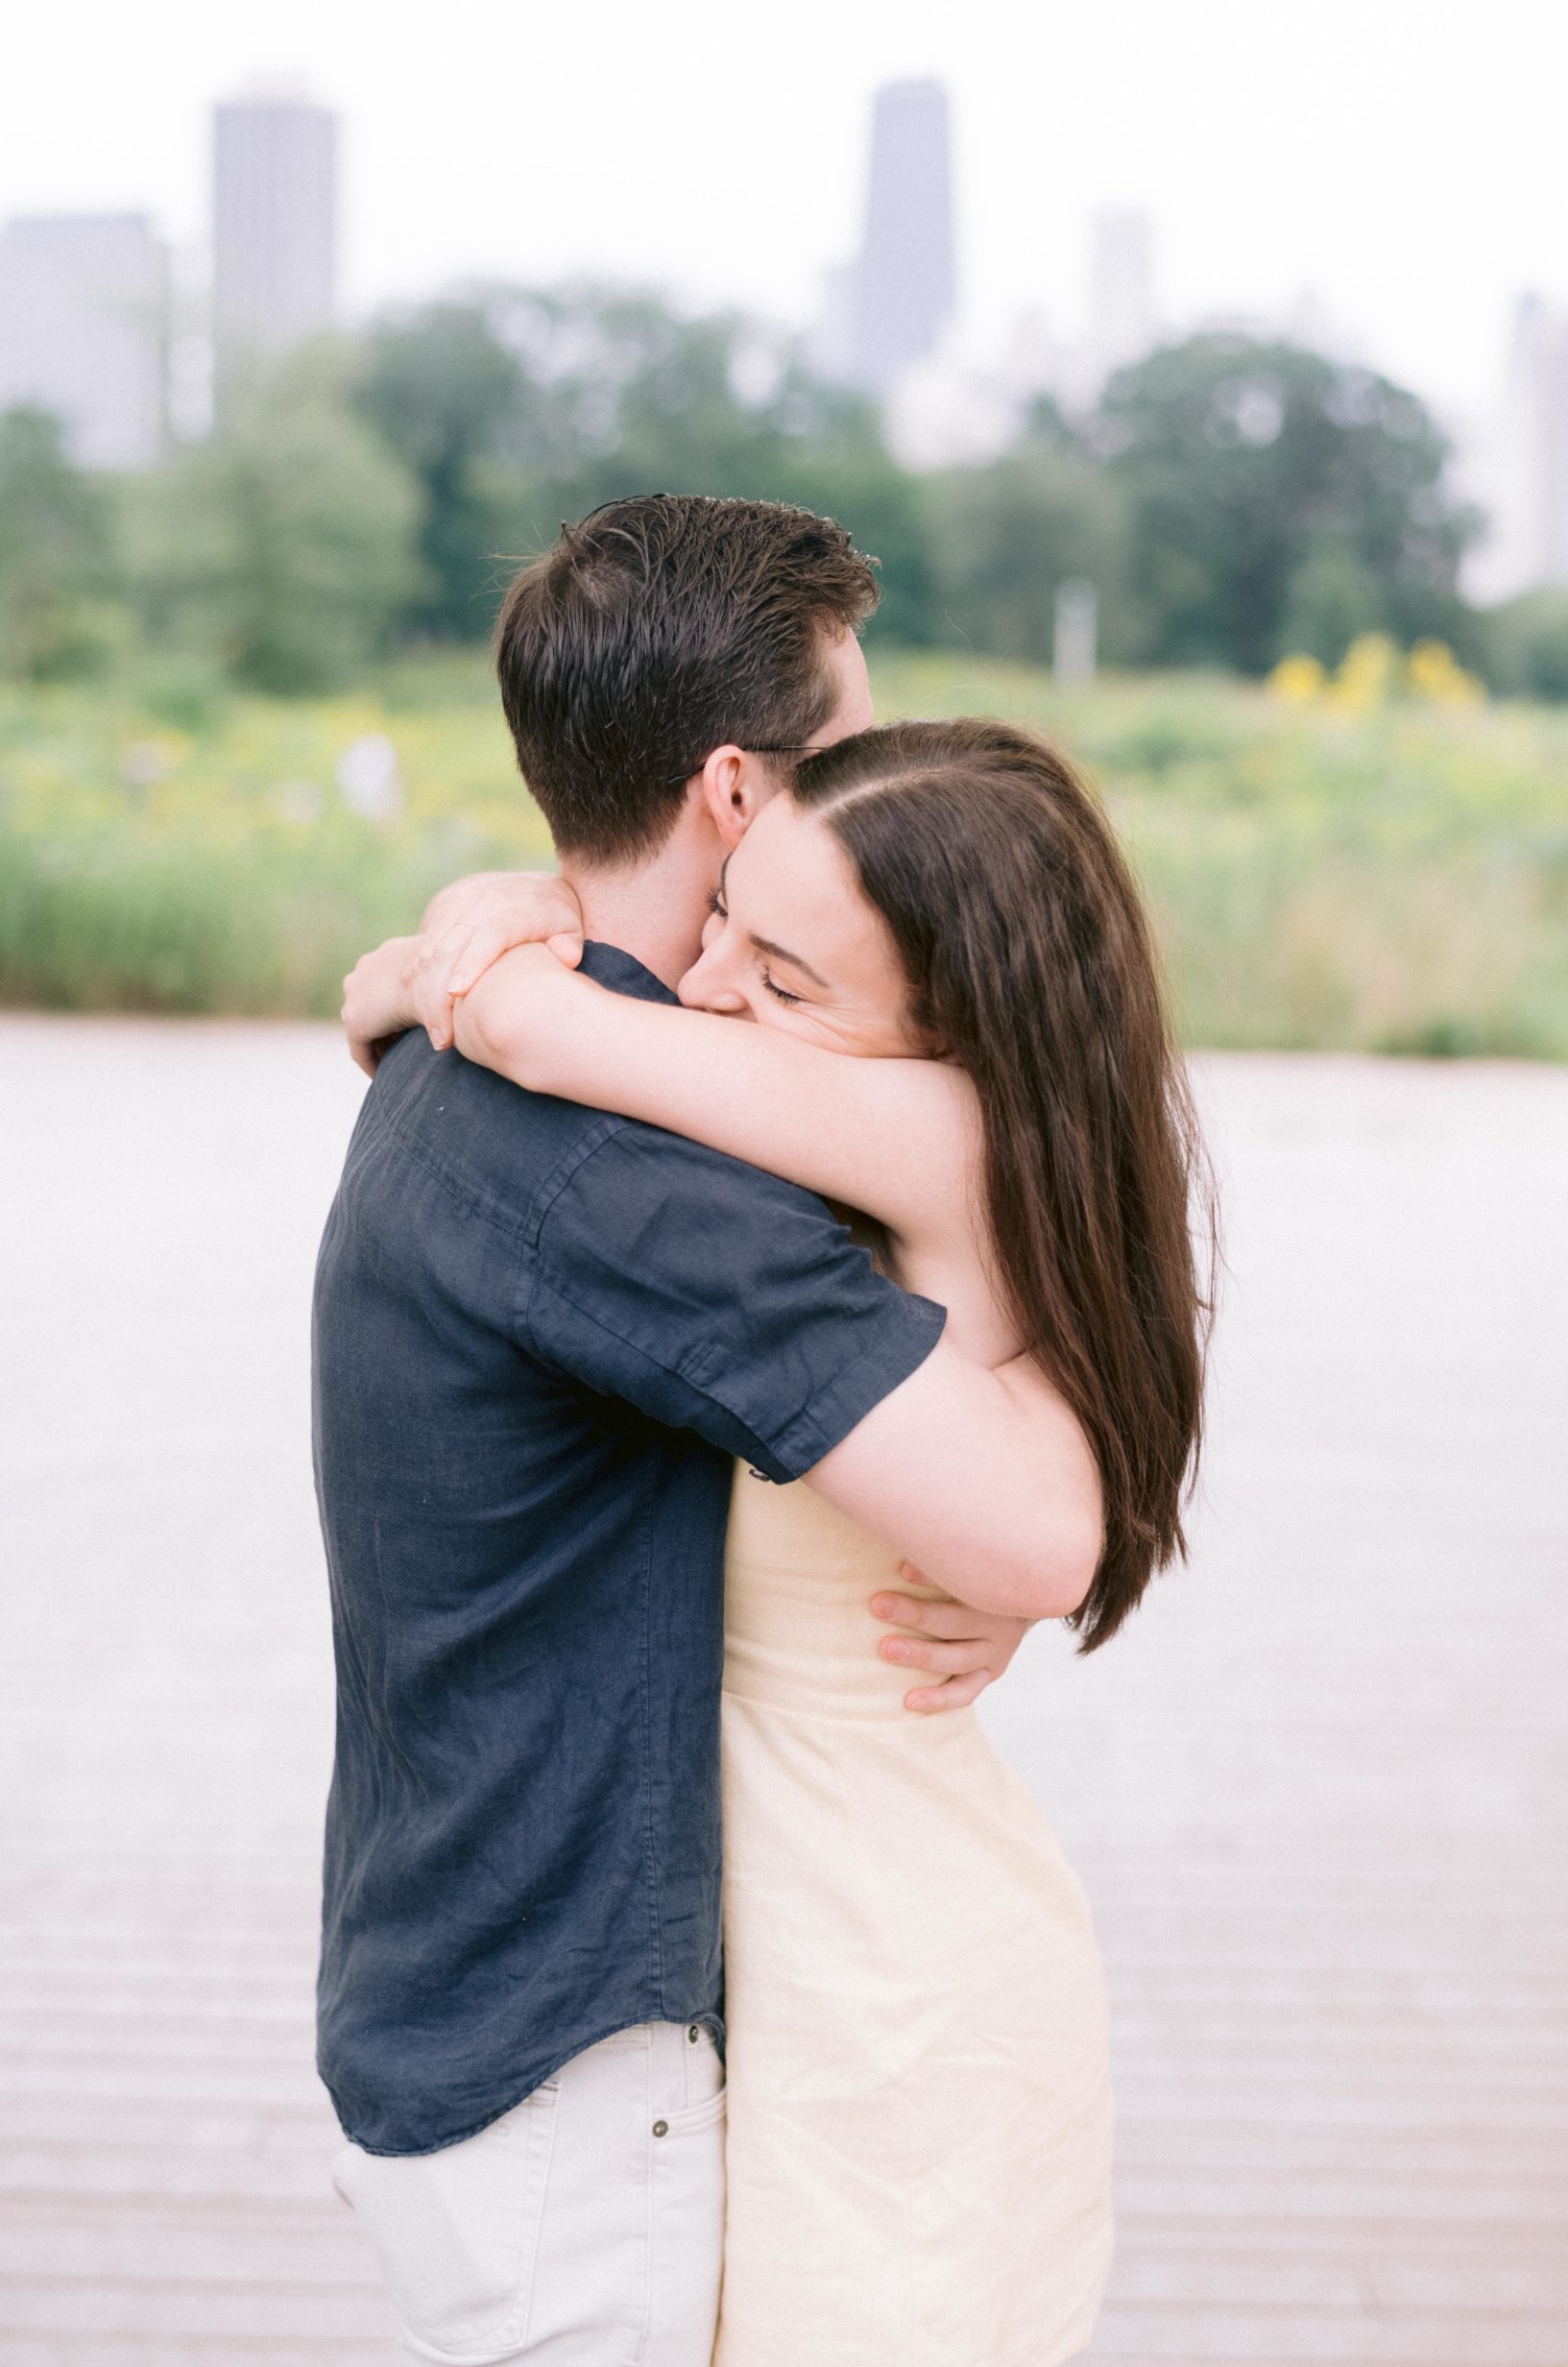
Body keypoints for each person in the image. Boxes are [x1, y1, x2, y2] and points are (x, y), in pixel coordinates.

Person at [312, 495, 1107, 2367]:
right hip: (570, 2069)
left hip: (459, 1980)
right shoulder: (639, 1176)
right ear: (742, 793)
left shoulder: (486, 1048)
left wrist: (469, 950)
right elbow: (1033, 1531)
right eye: (852, 741)